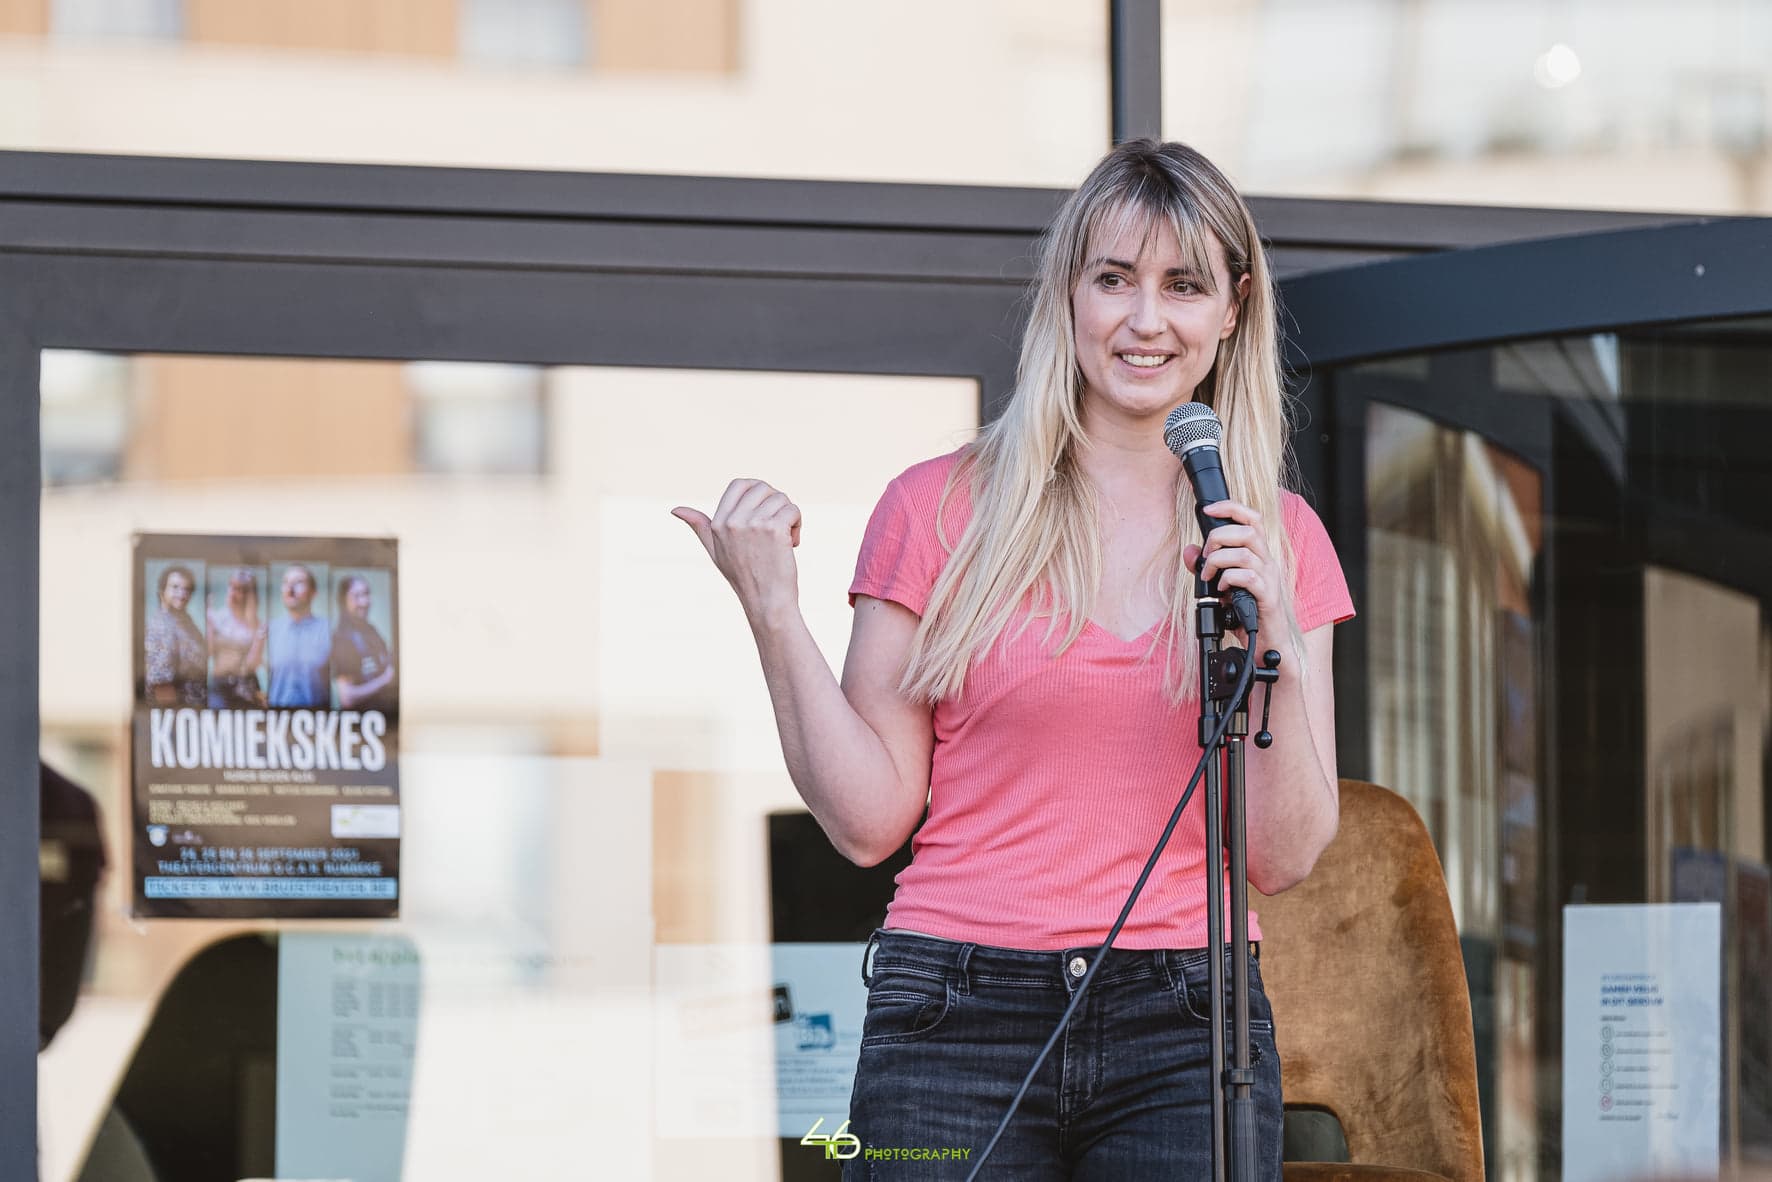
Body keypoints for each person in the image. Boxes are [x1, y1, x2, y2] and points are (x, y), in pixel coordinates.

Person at [673, 139, 1354, 1178]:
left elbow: (1286, 856)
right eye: (1113, 278)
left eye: (1182, 285)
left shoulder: (1275, 539)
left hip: (1185, 1021)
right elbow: (866, 822)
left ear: (1231, 308)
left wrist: (1280, 656)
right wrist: (772, 610)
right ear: (1068, 294)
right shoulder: (936, 508)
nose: (1145, 319)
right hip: (953, 1012)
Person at [330, 573, 396, 712]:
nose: (364, 602)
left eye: (366, 594)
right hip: (362, 720)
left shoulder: (371, 630)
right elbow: (347, 698)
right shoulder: (342, 638)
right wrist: (385, 680)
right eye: (357, 596)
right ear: (344, 601)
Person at [267, 564, 330, 708]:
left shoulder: (328, 630)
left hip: (318, 717)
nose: (290, 588)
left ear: (313, 592)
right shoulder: (270, 630)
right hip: (277, 717)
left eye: (298, 582)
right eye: (286, 582)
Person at [144, 564, 206, 707]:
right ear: (162, 591)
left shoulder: (186, 622)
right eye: (175, 587)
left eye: (187, 589)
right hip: (179, 712)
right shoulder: (160, 627)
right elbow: (162, 685)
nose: (182, 594)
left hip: (196, 709)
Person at [207, 567, 268, 709]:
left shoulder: (257, 625)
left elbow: (252, 664)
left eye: (240, 590)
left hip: (247, 686)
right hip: (220, 686)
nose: (233, 593)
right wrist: (209, 625)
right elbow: (208, 653)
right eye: (231, 587)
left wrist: (259, 639)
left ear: (249, 595)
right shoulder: (216, 618)